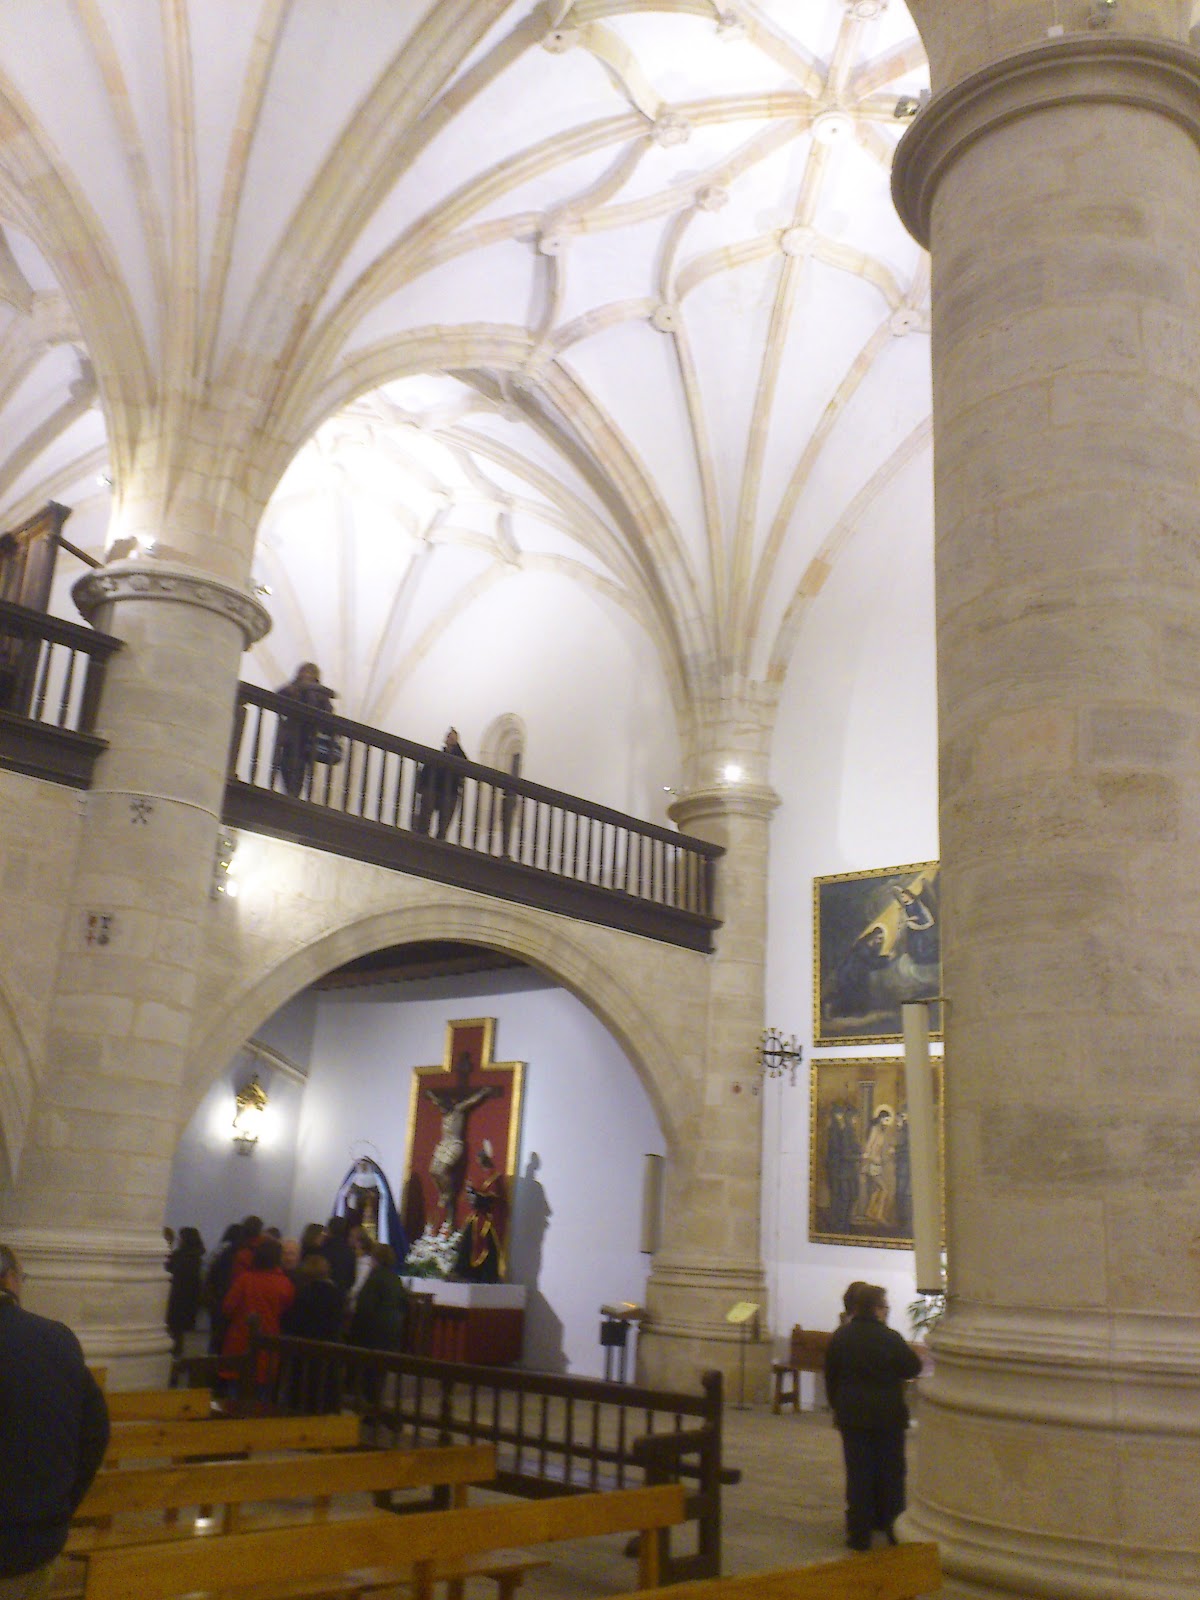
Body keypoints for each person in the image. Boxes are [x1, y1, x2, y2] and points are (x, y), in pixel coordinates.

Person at [0, 1243, 110, 1595]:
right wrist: (57, 1507)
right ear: (11, 1279)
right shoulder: (55, 1339)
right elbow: (94, 1434)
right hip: (31, 1544)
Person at [824, 1282, 922, 1552]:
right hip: (887, 1416)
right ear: (876, 1308)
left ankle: (859, 1534)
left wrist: (838, 1406)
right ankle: (892, 1530)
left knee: (858, 1474)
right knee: (890, 1473)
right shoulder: (890, 1337)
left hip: (852, 1416)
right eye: (885, 1306)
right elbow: (912, 1367)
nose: (887, 1311)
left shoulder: (841, 1336)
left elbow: (831, 1376)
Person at [424, 1052, 501, 1220]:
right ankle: (443, 1193)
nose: (441, 1110)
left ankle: (448, 1194)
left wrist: (483, 1092)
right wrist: (429, 1094)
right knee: (432, 1171)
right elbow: (435, 1099)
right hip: (443, 1143)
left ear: (448, 1105)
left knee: (441, 1170)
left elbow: (471, 1101)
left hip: (454, 1144)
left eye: (443, 1108)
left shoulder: (458, 1110)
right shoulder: (443, 1109)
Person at [220, 1236, 295, 1400]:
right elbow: (286, 1311)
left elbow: (227, 1307)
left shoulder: (244, 1279)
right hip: (269, 1343)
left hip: (240, 1340)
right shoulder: (284, 1283)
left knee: (235, 1391)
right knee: (261, 1393)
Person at [272, 662, 337, 798]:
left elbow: (328, 714)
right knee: (287, 766)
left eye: (310, 673)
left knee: (301, 769)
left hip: (307, 738)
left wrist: (321, 696)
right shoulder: (292, 688)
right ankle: (290, 793)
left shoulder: (319, 694)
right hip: (291, 736)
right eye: (305, 672)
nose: (307, 675)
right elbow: (277, 698)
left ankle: (294, 795)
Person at [349, 1242, 409, 1352]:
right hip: (393, 1328)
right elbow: (403, 1303)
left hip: (374, 1331)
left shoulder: (375, 1278)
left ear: (375, 1259)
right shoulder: (395, 1279)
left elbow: (364, 1306)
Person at [412, 727, 467, 838]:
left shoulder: (457, 756)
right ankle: (423, 834)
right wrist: (421, 786)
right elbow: (426, 770)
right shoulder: (438, 756)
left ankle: (438, 838)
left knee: (443, 823)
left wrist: (456, 745)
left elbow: (464, 765)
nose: (449, 738)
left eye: (451, 737)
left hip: (449, 792)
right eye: (448, 736)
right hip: (434, 789)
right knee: (425, 816)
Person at [164, 1225, 205, 1359]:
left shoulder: (179, 1257)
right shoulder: (197, 1258)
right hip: (189, 1301)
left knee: (172, 1333)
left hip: (175, 1299)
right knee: (180, 1335)